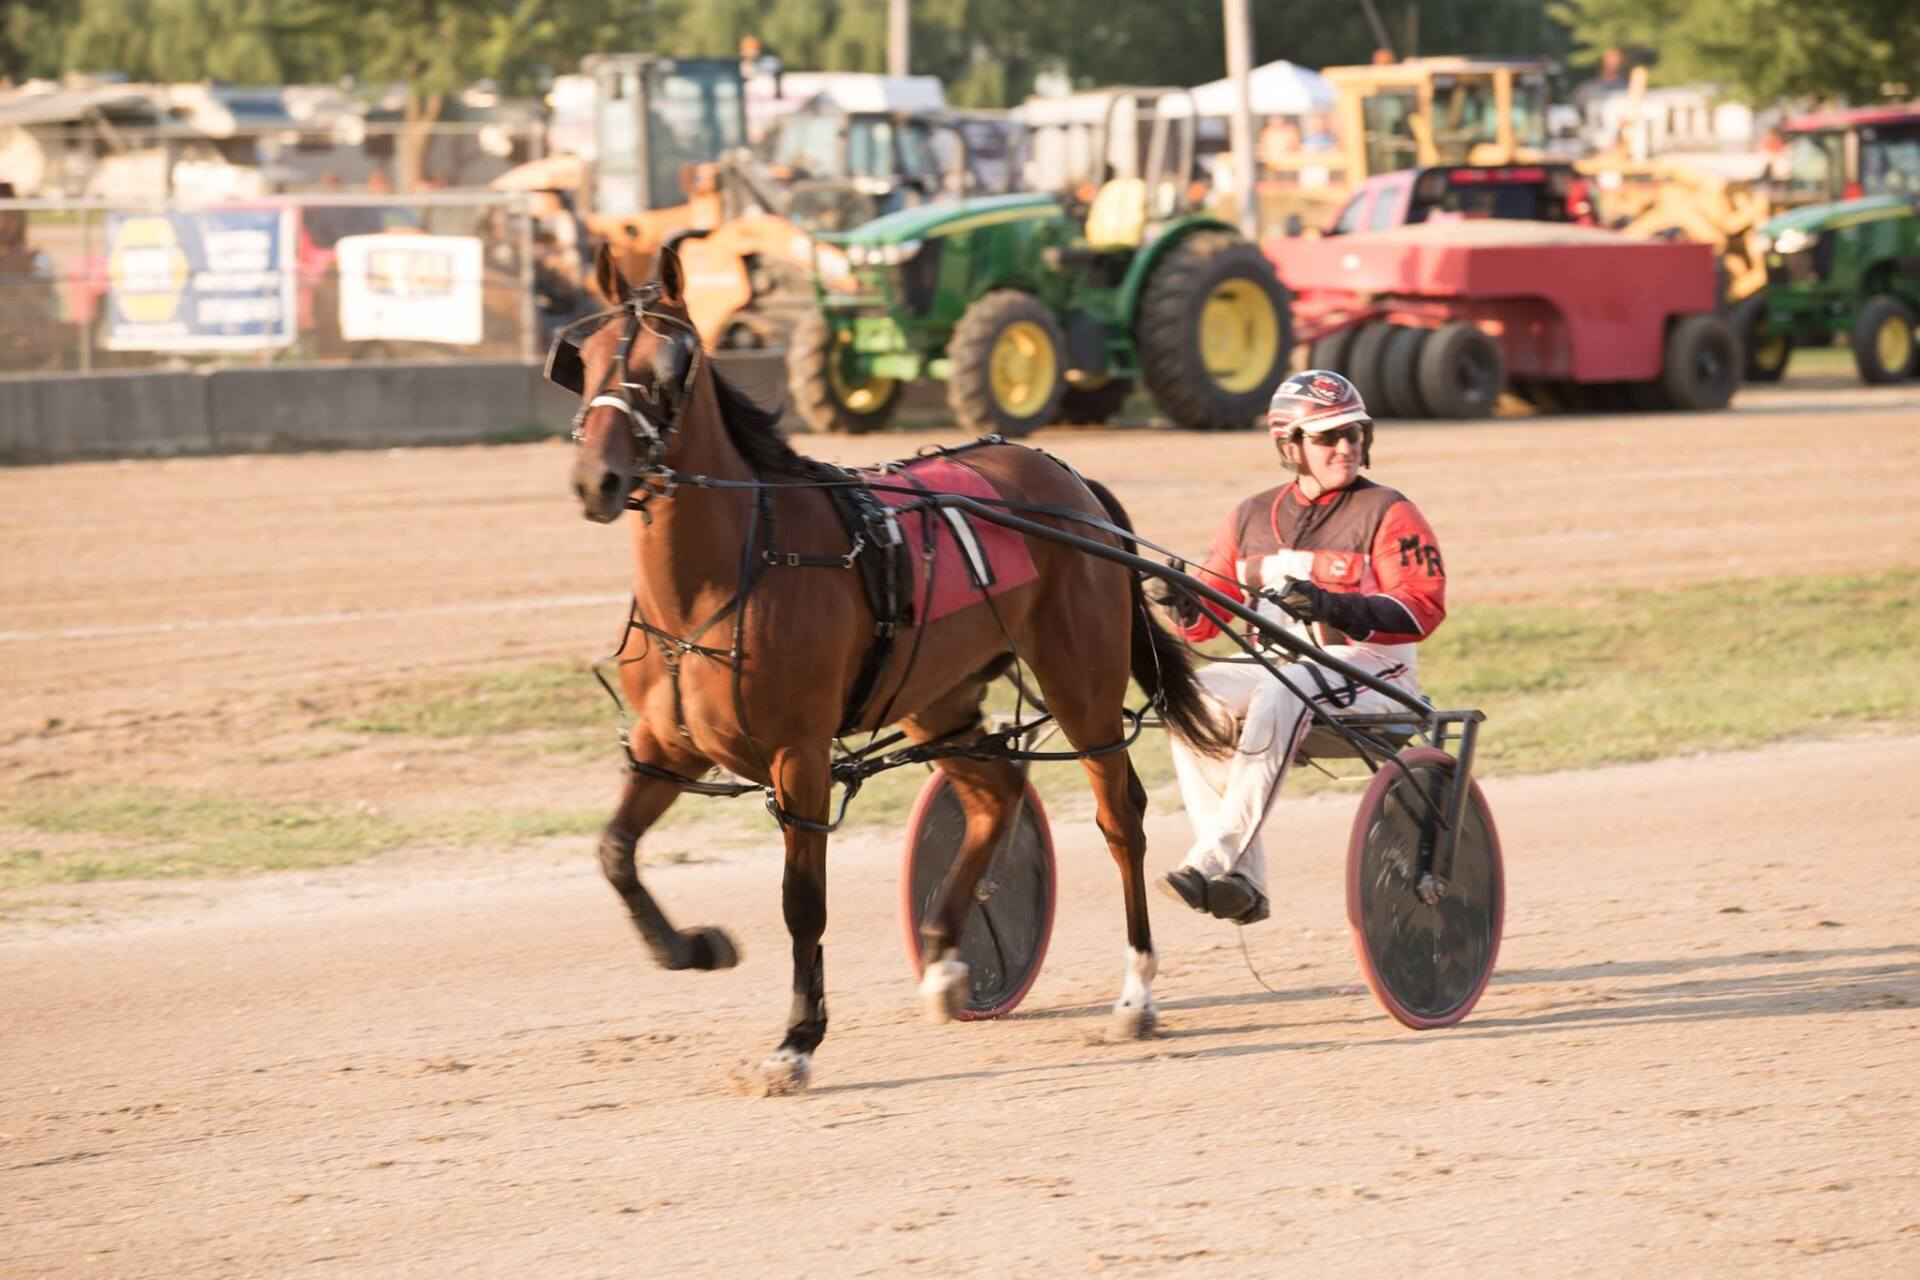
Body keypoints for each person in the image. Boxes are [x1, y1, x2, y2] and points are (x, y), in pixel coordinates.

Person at [1153, 370, 1447, 925]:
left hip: (1376, 673)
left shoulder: (1389, 511)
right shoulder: (1247, 517)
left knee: (1284, 687)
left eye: (1355, 433)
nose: (1346, 446)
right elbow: (1207, 623)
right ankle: (1243, 879)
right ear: (1290, 446)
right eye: (1327, 437)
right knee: (1186, 696)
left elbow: (1422, 608)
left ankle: (1215, 856)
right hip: (1279, 673)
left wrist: (1336, 608)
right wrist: (1179, 602)